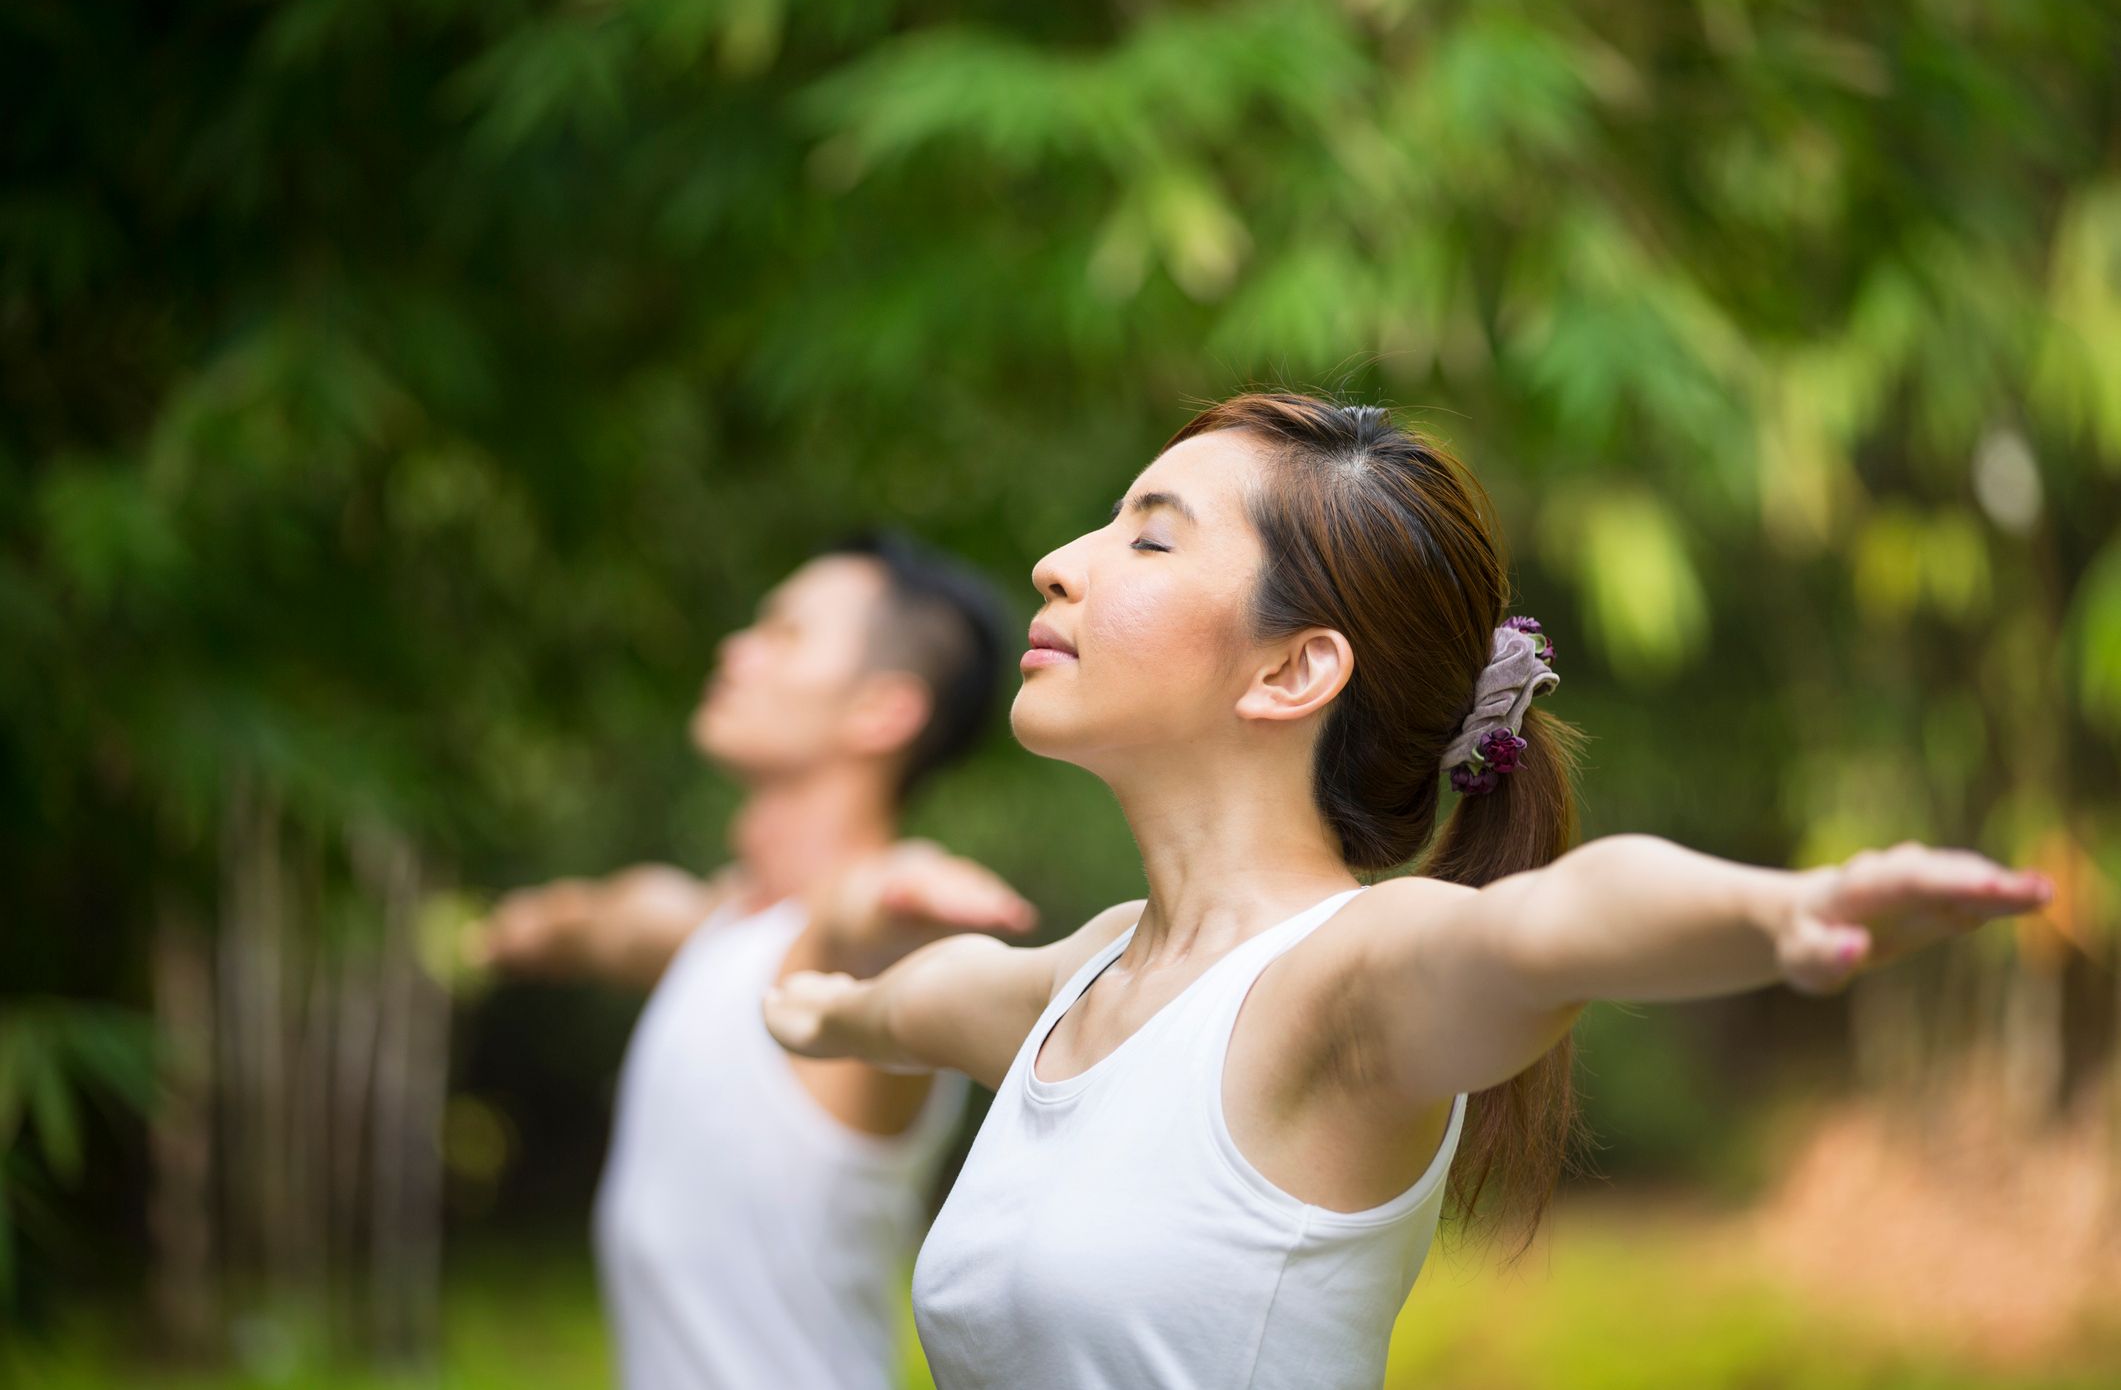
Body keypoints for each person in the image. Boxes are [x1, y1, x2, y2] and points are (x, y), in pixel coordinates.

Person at [760, 393, 2056, 1389]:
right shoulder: (1095, 973)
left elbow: (1553, 925)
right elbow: (940, 999)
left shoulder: (1347, 975)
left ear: (1291, 671)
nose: (1058, 560)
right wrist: (824, 1009)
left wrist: (1782, 907)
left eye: (1147, 538)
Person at [475, 529, 1038, 1390]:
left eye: (784, 633)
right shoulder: (720, 930)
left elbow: (861, 923)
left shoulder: (850, 959)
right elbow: (614, 919)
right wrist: (526, 927)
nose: (735, 650)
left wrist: (905, 896)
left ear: (881, 710)